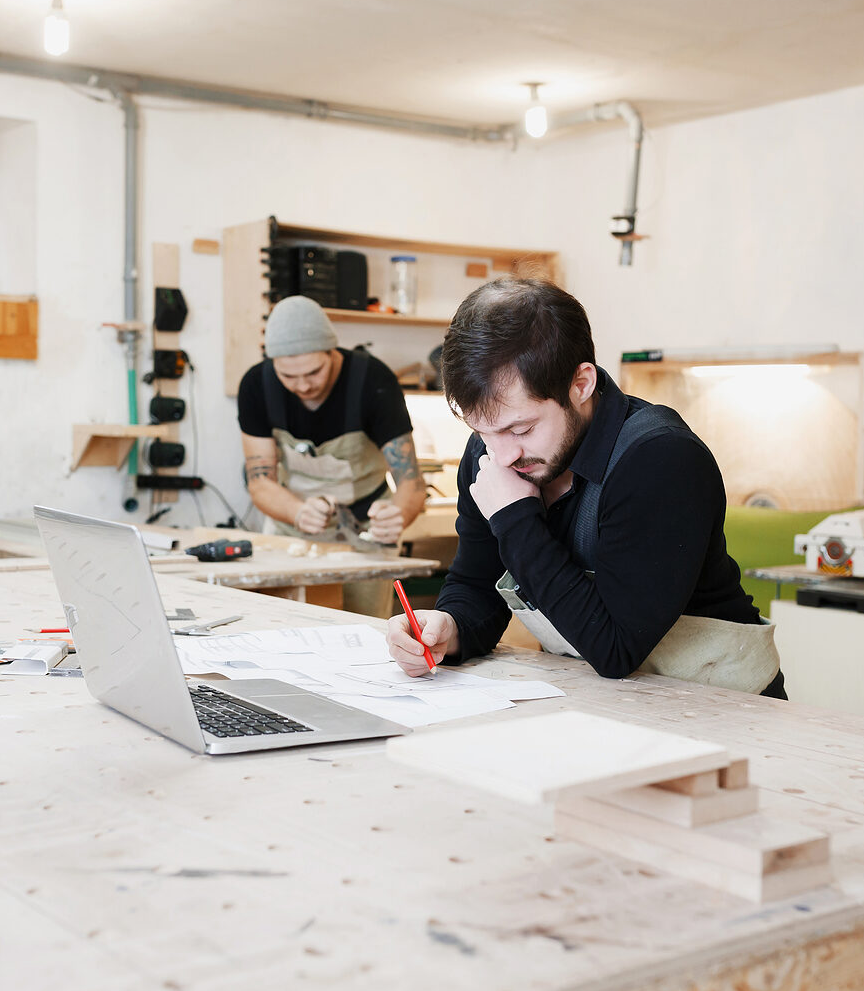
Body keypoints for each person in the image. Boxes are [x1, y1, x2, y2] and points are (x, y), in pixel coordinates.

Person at [385, 279, 787, 698]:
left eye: (520, 428)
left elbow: (615, 650)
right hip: (601, 702)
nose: (501, 455)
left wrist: (516, 520)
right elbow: (475, 583)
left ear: (581, 384)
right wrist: (448, 628)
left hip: (726, 709)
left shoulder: (660, 459)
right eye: (482, 431)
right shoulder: (492, 450)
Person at [238, 295, 427, 548]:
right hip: (290, 524)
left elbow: (411, 481)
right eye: (289, 376)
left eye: (314, 372)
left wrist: (398, 516)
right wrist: (298, 512)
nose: (303, 386)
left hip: (367, 529)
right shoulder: (257, 386)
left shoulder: (373, 381)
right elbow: (260, 482)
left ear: (332, 352)